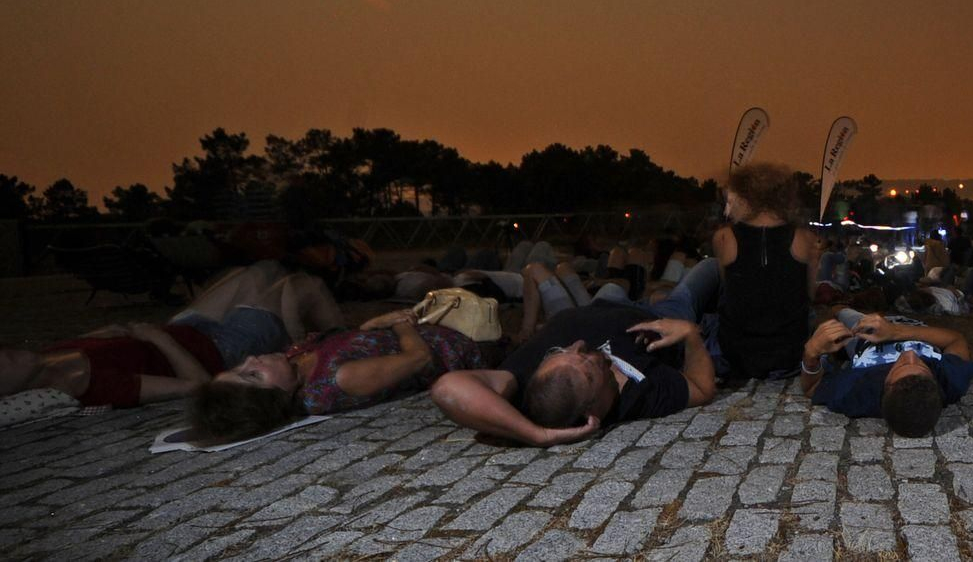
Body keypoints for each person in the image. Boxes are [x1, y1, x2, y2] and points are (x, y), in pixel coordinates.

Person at [429, 258, 721, 446]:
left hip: (597, 305)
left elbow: (447, 388)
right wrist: (690, 335)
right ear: (592, 412)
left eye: (558, 352)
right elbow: (701, 388)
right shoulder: (636, 395)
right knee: (708, 269)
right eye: (587, 362)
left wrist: (533, 434)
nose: (578, 345)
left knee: (608, 288)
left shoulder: (529, 386)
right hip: (661, 317)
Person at [0, 262, 341, 410]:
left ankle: (299, 333)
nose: (5, 353)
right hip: (216, 347)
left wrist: (104, 333)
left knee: (255, 272)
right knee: (296, 285)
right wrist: (156, 339)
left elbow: (113, 343)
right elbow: (197, 384)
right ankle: (338, 346)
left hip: (184, 327)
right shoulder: (89, 386)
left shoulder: (50, 354)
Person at [191, 306, 486, 443]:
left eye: (239, 367)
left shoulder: (295, 366)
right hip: (457, 345)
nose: (251, 359)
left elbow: (357, 344)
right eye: (252, 375)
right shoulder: (339, 379)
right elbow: (419, 358)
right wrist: (400, 323)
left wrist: (373, 323)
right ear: (277, 398)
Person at [712, 162, 819, 381]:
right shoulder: (804, 239)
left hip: (738, 355)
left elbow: (729, 290)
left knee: (706, 277)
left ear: (744, 197)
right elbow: (811, 294)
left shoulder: (724, 238)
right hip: (790, 354)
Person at [803, 309, 973, 437]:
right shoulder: (950, 379)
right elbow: (956, 339)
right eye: (922, 364)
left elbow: (811, 388)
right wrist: (895, 331)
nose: (909, 354)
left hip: (863, 334)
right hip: (913, 326)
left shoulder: (859, 389)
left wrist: (811, 354)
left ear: (885, 384)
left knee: (840, 313)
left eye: (901, 365)